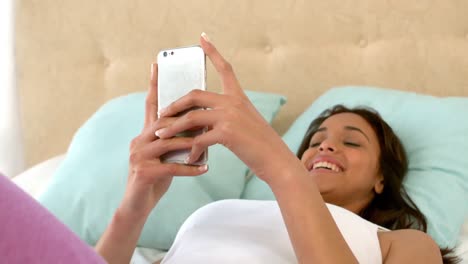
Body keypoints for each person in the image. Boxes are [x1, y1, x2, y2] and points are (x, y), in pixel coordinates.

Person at [95, 33, 459, 263]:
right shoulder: (216, 215)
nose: (326, 146)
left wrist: (281, 169)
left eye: (350, 142)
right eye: (314, 142)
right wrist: (133, 207)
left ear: (382, 177)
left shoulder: (404, 244)